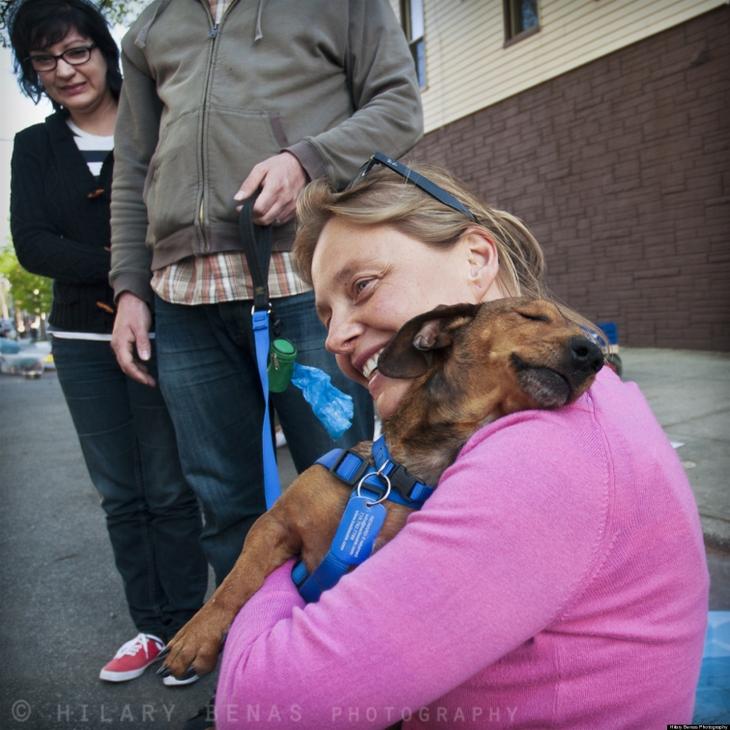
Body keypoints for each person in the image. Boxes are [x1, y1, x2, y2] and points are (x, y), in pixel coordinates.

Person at [212, 160, 710, 728]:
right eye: (326, 313)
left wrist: (283, 551)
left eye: (363, 286)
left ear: (476, 258)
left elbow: (259, 710)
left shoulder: (542, 456)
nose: (333, 337)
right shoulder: (561, 411)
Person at [109, 0, 423, 587]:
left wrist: (308, 162)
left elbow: (401, 107)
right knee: (224, 504)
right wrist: (129, 286)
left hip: (306, 281)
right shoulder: (149, 27)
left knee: (343, 485)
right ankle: (257, 658)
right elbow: (132, 166)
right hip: (182, 297)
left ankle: (357, 655)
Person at [8, 0, 207, 686]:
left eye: (77, 52)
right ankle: (150, 626)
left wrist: (138, 281)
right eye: (44, 60)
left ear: (103, 47)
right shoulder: (34, 147)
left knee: (170, 486)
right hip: (79, 338)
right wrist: (125, 265)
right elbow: (33, 245)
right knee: (121, 492)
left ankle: (189, 627)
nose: (65, 70)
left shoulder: (154, 120)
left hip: (166, 325)